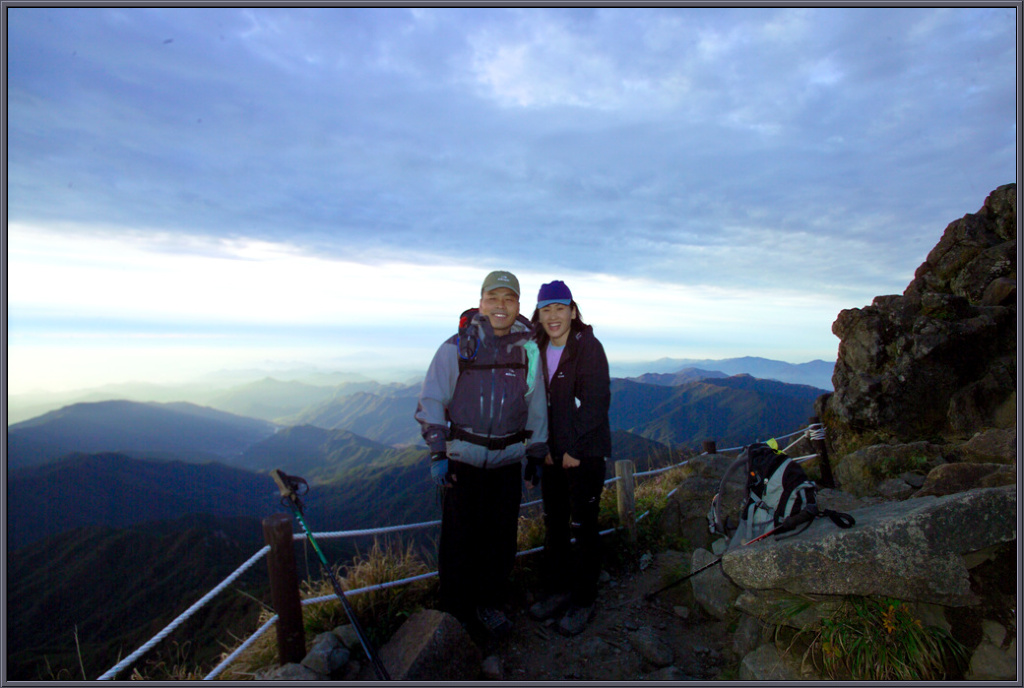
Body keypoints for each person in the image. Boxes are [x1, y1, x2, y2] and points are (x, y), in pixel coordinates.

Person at [414, 270, 549, 637]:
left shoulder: (530, 350)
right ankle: (456, 612)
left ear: (519, 305)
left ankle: (489, 604)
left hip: (507, 462)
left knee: (500, 539)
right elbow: (431, 400)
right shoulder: (456, 347)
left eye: (509, 299)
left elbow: (536, 404)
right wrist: (438, 453)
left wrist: (536, 452)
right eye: (493, 298)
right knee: (459, 540)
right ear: (481, 301)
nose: (501, 306)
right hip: (463, 462)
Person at [527, 279, 612, 636]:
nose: (553, 316)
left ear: (573, 311)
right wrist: (542, 449)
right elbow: (532, 403)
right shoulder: (536, 347)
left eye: (560, 308)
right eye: (547, 309)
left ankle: (583, 599)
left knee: (583, 526)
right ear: (539, 314)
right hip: (550, 456)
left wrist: (573, 450)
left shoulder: (588, 347)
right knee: (556, 524)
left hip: (583, 455)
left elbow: (595, 402)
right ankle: (559, 590)